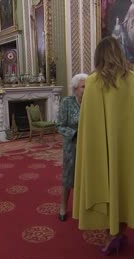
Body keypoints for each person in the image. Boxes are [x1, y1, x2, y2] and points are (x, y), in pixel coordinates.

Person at [73, 37, 134, 255]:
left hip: (100, 149)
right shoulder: (132, 79)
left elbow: (88, 124)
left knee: (106, 181)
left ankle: (112, 235)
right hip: (127, 148)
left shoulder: (92, 81)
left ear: (99, 56)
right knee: (126, 183)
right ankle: (119, 233)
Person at [56, 73, 87, 222]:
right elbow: (59, 126)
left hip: (90, 146)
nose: (86, 89)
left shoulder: (93, 102)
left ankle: (85, 207)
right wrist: (76, 134)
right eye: (83, 87)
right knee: (68, 177)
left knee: (87, 177)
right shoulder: (66, 102)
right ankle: (63, 206)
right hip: (72, 146)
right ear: (75, 89)